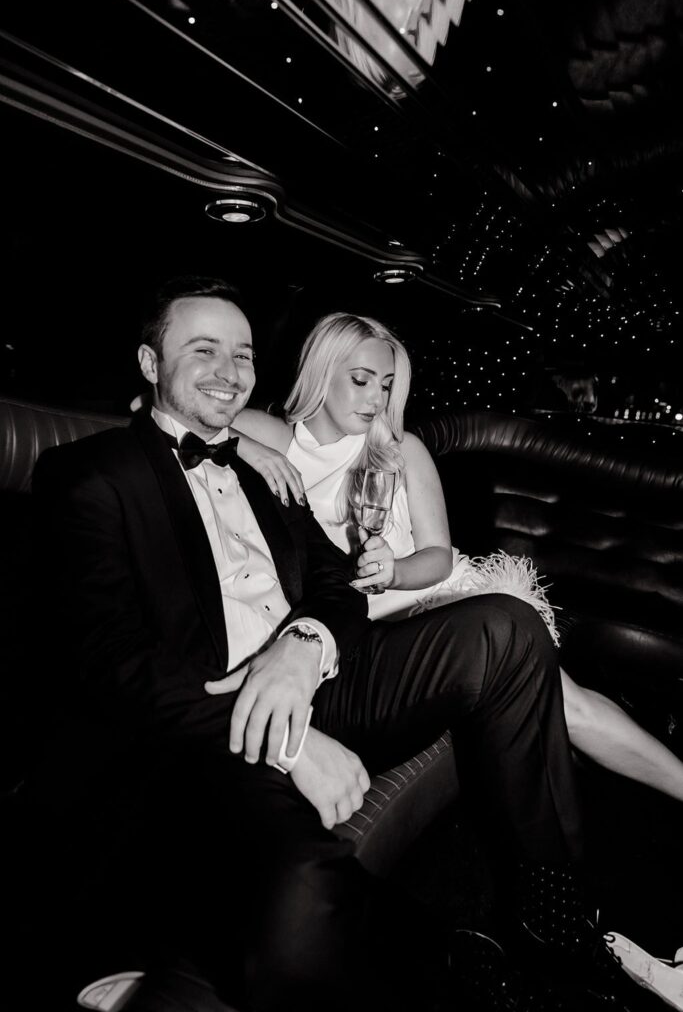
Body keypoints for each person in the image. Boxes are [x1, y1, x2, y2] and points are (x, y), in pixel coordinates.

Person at [30, 278, 649, 1012]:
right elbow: (108, 664)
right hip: (220, 724)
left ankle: (550, 909)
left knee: (506, 629)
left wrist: (305, 638)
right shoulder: (92, 473)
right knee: (299, 895)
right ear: (146, 362)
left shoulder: (264, 470)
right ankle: (443, 968)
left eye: (243, 354)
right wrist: (291, 742)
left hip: (328, 679)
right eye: (203, 351)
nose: (228, 371)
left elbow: (335, 584)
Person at [231, 312, 683, 807]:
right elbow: (164, 413)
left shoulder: (401, 449)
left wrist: (395, 571)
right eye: (360, 381)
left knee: (565, 701)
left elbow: (438, 558)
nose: (375, 400)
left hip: (437, 597)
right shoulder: (273, 436)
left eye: (385, 386)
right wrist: (246, 447)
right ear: (321, 372)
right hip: (357, 629)